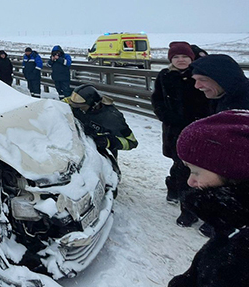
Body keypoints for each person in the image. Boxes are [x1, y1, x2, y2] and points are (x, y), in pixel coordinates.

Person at [168, 110, 249, 287]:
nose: (190, 181)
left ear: (233, 171)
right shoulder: (232, 219)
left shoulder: (242, 245)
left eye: (196, 172)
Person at [151, 42, 211, 227]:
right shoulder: (165, 76)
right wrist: (167, 116)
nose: (181, 60)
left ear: (191, 58)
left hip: (200, 129)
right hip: (176, 130)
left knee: (199, 168)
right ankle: (185, 206)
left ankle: (196, 205)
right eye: (176, 57)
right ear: (171, 59)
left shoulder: (199, 76)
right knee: (180, 166)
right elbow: (157, 99)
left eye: (184, 56)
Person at [65, 84, 138, 170]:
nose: (78, 109)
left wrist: (108, 142)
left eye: (82, 107)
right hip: (77, 148)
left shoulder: (112, 118)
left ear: (93, 105)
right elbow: (64, 103)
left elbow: (132, 142)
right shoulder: (77, 104)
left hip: (101, 155)